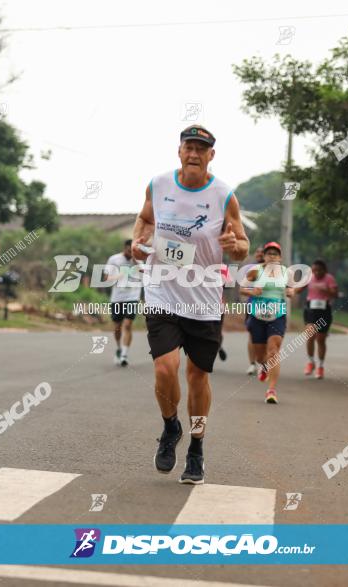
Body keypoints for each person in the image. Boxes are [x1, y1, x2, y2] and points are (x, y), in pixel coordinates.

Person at [131, 124, 249, 485]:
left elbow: (242, 244)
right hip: (163, 292)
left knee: (197, 376)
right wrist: (138, 239)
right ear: (179, 151)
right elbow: (146, 218)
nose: (195, 153)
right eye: (189, 147)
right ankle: (171, 428)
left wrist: (235, 246)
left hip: (203, 301)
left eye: (202, 148)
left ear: (211, 155)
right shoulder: (158, 184)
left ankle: (197, 446)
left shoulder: (224, 194)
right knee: (165, 370)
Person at [240, 241, 296, 404]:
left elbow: (291, 289)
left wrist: (291, 291)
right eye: (269, 253)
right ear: (263, 256)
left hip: (277, 315)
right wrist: (252, 291)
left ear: (280, 257)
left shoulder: (286, 272)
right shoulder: (255, 271)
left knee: (273, 351)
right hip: (257, 316)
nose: (272, 256)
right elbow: (242, 289)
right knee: (260, 357)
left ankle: (271, 390)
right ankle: (263, 366)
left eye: (275, 254)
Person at [296, 259, 337, 379]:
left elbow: (335, 294)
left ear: (324, 270)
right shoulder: (309, 277)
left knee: (321, 339)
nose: (316, 273)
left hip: (324, 310)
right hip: (311, 309)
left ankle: (320, 366)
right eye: (314, 270)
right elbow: (298, 290)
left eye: (319, 270)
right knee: (309, 334)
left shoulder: (329, 279)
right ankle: (310, 361)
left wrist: (326, 290)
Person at [104, 240, 142, 366]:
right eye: (128, 251)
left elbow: (145, 272)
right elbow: (106, 278)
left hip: (132, 296)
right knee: (117, 327)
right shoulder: (114, 259)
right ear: (124, 248)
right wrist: (118, 276)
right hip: (117, 297)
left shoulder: (137, 259)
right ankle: (119, 349)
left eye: (132, 251)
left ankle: (125, 354)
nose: (130, 253)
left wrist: (135, 261)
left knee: (127, 324)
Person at [240, 247, 264, 374]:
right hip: (252, 305)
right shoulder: (252, 270)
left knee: (264, 336)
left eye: (262, 252)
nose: (259, 254)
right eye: (257, 252)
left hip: (269, 306)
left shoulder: (273, 270)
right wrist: (253, 291)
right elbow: (243, 287)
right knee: (252, 334)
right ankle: (252, 364)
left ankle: (262, 364)